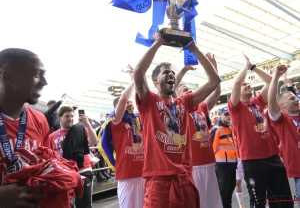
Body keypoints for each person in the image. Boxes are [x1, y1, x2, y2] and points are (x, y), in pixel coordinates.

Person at [133, 31, 221, 207]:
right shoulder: (149, 101)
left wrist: (194, 49)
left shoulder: (185, 102)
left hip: (185, 178)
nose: (172, 74)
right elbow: (138, 73)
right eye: (167, 72)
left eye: (173, 72)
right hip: (158, 181)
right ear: (156, 80)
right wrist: (158, 43)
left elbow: (214, 81)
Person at [228, 54, 293, 208]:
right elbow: (237, 82)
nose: (248, 85)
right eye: (245, 84)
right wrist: (245, 66)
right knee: (258, 203)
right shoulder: (236, 108)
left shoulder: (256, 103)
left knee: (284, 200)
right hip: (253, 161)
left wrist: (253, 67)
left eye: (249, 84)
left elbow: (271, 82)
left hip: (272, 157)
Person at [0, 48, 50, 208]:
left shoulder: (39, 120)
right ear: (8, 77)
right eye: (36, 74)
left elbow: (47, 166)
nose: (44, 82)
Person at [175, 54, 223, 208]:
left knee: (213, 203)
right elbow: (167, 92)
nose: (189, 91)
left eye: (190, 89)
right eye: (184, 90)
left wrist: (214, 69)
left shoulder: (201, 107)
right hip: (191, 166)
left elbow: (216, 93)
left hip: (209, 163)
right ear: (177, 96)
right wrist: (182, 71)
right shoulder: (176, 109)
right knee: (197, 203)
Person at [99, 65, 144, 208]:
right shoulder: (116, 121)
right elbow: (124, 98)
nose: (130, 104)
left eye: (131, 103)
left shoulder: (138, 120)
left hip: (145, 173)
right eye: (127, 103)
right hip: (127, 175)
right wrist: (134, 80)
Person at [49, 106, 98, 208]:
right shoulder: (52, 136)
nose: (70, 118)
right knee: (66, 205)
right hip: (64, 174)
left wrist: (87, 124)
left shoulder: (80, 129)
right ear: (59, 118)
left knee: (84, 205)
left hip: (82, 171)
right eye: (67, 116)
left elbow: (93, 141)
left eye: (72, 116)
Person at [268, 64, 300, 207]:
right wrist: (276, 76)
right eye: (292, 98)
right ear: (282, 105)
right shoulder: (282, 121)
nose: (297, 99)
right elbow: (271, 101)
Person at [210, 107, 238, 208]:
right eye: (226, 114)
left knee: (230, 190)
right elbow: (211, 150)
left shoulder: (231, 129)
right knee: (223, 192)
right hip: (221, 167)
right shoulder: (216, 130)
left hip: (232, 165)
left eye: (229, 114)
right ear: (221, 116)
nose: (228, 116)